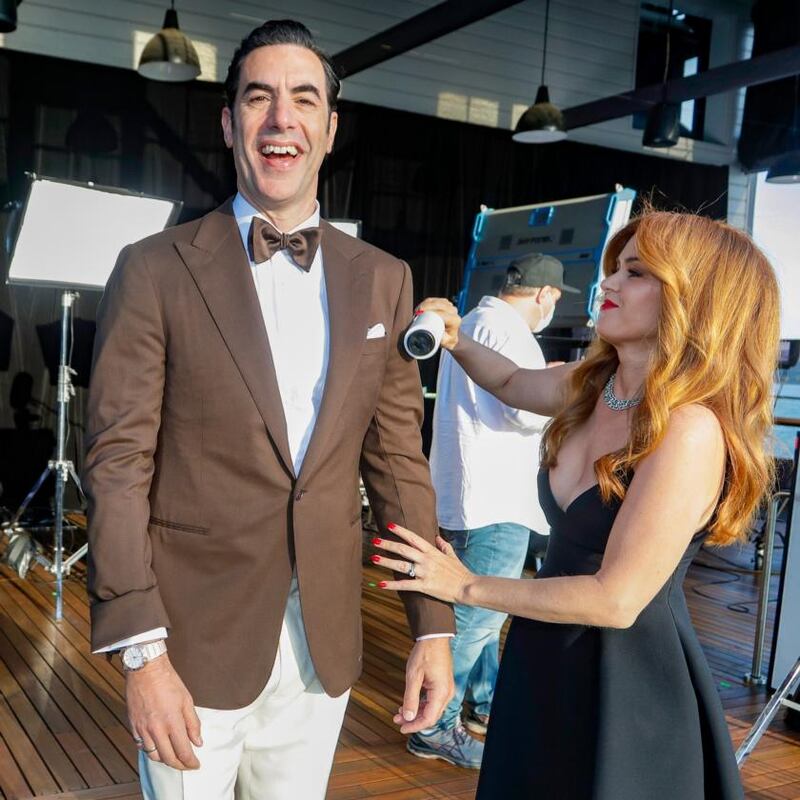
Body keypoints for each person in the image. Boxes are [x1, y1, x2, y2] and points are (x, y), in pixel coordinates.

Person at [84, 19, 455, 800]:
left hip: (322, 647)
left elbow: (396, 462)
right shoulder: (152, 269)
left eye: (303, 99)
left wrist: (434, 625)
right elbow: (118, 464)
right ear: (229, 125)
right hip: (189, 643)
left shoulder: (383, 277)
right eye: (259, 98)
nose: (281, 117)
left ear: (328, 129)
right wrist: (142, 654)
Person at [373, 210, 779, 799]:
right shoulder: (596, 388)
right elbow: (510, 382)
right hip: (545, 656)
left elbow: (614, 599)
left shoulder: (689, 429)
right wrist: (455, 339)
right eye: (615, 267)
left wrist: (462, 585)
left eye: (636, 273)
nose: (607, 283)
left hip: (624, 685)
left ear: (699, 300)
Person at [407, 254, 576, 769]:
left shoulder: (474, 322)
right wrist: (555, 385)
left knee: (480, 622)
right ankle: (433, 726)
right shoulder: (509, 330)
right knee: (478, 620)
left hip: (464, 493)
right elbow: (524, 410)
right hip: (498, 498)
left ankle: (483, 704)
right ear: (546, 296)